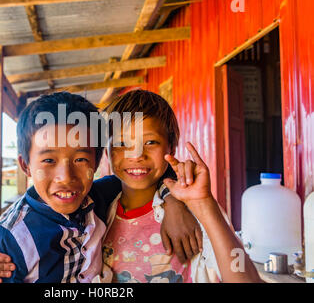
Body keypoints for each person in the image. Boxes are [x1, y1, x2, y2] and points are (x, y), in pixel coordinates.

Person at [0, 92, 202, 283]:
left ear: (97, 161)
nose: (65, 178)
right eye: (49, 161)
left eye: (80, 159)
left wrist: (172, 201)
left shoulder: (96, 197)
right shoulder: (13, 239)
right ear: (25, 165)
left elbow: (153, 173)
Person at [98, 90, 261, 283]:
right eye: (122, 143)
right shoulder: (97, 215)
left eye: (150, 142)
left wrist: (204, 204)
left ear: (172, 148)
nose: (136, 155)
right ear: (107, 153)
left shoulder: (196, 212)